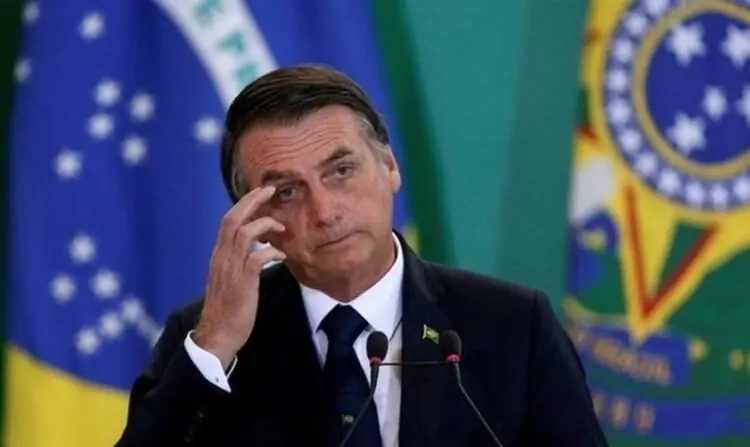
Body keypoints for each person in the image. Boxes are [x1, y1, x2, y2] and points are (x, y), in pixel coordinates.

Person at [115, 65, 608, 447]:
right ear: (252, 217)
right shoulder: (207, 339)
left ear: (389, 166)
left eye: (341, 171)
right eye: (286, 192)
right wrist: (216, 346)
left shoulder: (512, 326)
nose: (325, 211)